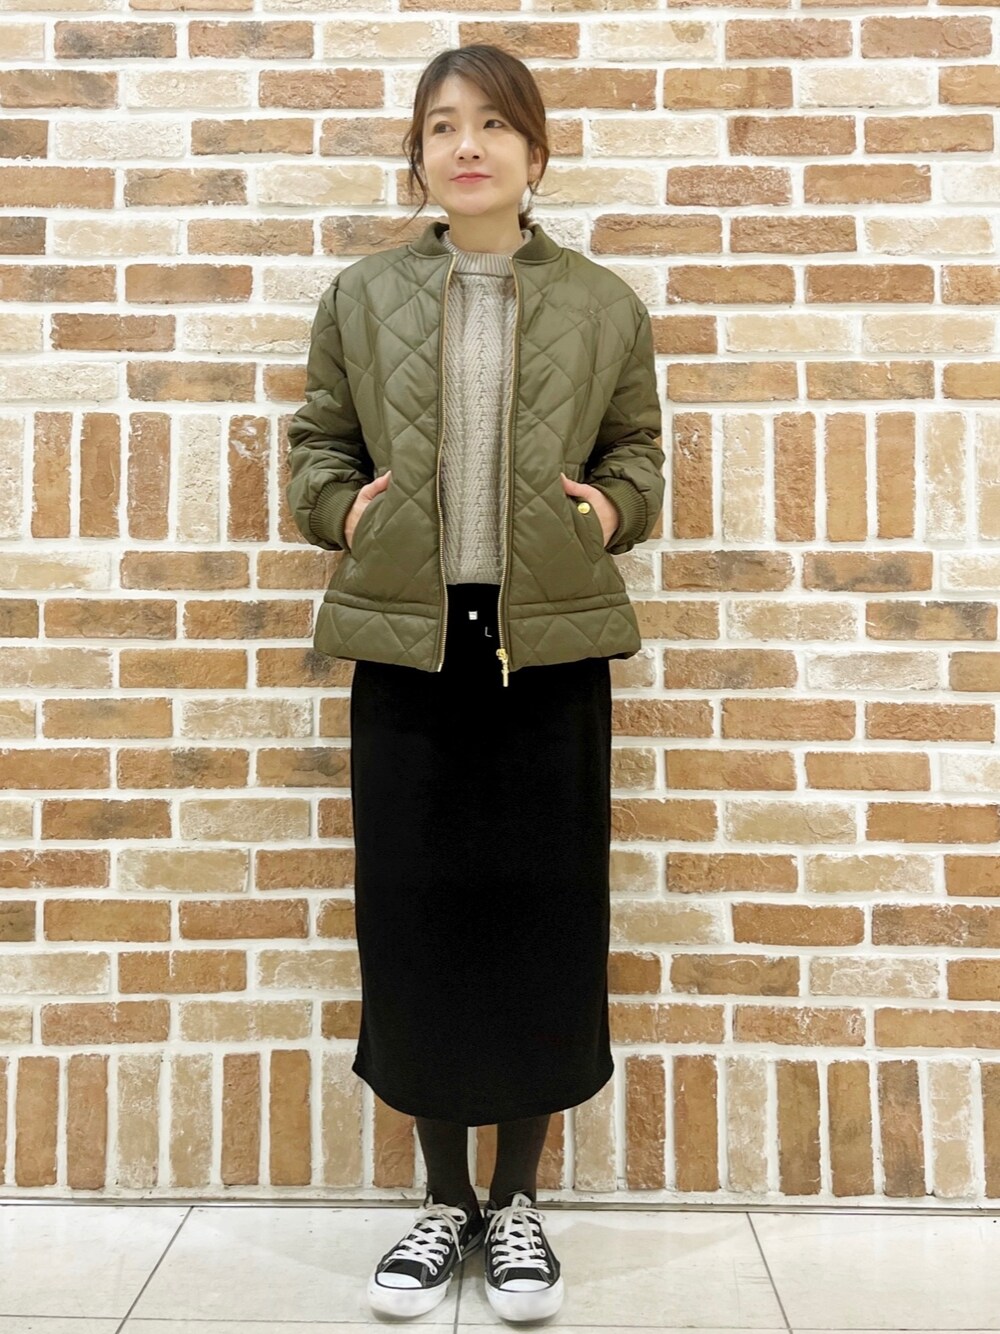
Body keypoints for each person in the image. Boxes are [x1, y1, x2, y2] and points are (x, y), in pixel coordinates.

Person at [285, 43, 664, 1324]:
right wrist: (342, 511)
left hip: (547, 651)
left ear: (534, 153)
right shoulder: (362, 295)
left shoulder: (603, 303)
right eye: (443, 124)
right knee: (416, 922)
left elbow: (639, 450)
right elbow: (318, 443)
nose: (468, 145)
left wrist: (609, 510)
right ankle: (441, 1198)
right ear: (418, 155)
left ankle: (517, 1205)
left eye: (495, 124)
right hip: (410, 649)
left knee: (544, 924)